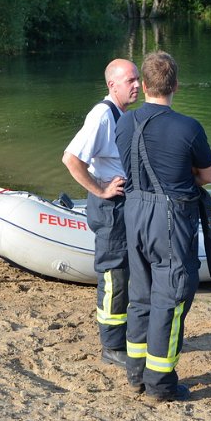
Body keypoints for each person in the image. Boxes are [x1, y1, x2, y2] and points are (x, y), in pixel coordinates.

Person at [115, 51, 211, 402]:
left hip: (134, 212)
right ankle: (160, 383)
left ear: (143, 86)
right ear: (176, 85)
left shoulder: (124, 122)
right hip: (170, 219)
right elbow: (208, 175)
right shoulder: (188, 127)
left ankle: (136, 373)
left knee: (140, 295)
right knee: (170, 299)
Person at [62, 59, 141, 368]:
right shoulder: (102, 115)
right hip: (109, 208)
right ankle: (111, 346)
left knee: (124, 274)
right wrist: (100, 189)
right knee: (113, 276)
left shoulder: (122, 115)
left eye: (137, 79)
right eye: (130, 80)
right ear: (113, 85)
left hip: (122, 206)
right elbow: (70, 158)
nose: (137, 85)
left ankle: (120, 338)